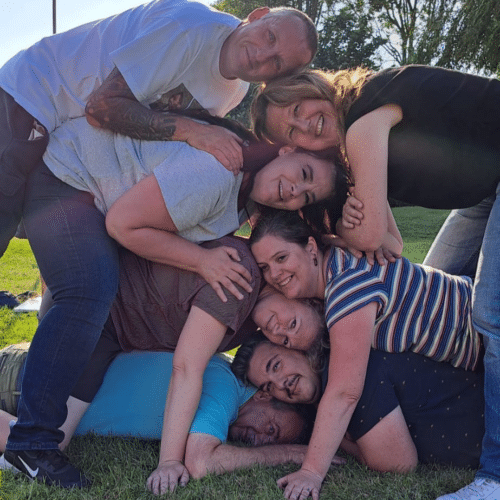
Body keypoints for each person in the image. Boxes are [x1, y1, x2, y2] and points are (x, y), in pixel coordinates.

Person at [250, 64, 500, 500]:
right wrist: (342, 232)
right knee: (428, 274)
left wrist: (312, 470)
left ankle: (493, 477)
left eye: (296, 110)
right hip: (483, 185)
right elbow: (391, 246)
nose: (305, 126)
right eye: (294, 132)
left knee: (490, 314)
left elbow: (345, 390)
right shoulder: (350, 170)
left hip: (490, 176)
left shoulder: (363, 120)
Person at [0, 0, 318, 258]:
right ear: (258, 15)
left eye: (277, 63)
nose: (262, 55)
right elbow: (101, 108)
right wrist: (193, 131)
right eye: (270, 36)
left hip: (74, 148)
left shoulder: (234, 91)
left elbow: (161, 146)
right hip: (33, 94)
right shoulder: (190, 27)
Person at [248, 209, 484, 500]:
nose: (275, 274)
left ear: (310, 247)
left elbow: (345, 393)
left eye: (281, 258)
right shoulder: (340, 262)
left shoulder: (347, 289)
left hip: (486, 334)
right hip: (476, 324)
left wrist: (311, 471)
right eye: (265, 267)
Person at [0, 346, 322, 479]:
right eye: (272, 430)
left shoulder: (226, 395)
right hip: (24, 382)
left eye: (270, 442)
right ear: (264, 396)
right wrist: (287, 453)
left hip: (32, 377)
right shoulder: (225, 385)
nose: (259, 440)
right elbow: (201, 462)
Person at [231, 333, 485, 473]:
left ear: (296, 346)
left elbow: (397, 464)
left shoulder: (347, 373)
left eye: (276, 366)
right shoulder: (332, 385)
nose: (280, 384)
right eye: (268, 387)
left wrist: (337, 437)